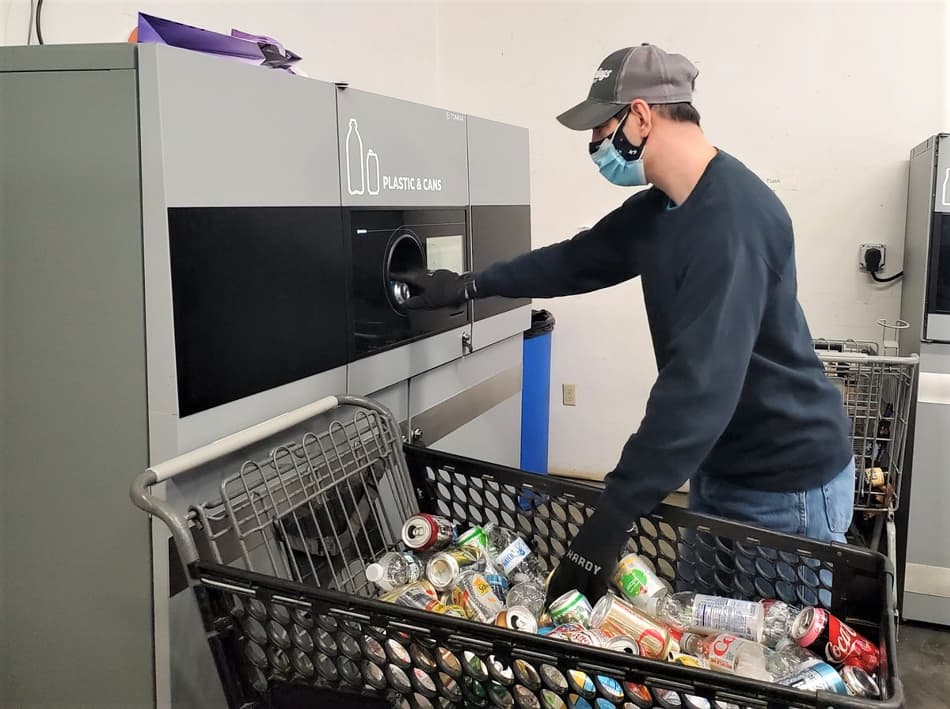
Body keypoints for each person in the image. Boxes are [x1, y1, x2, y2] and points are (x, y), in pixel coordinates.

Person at [400, 44, 854, 605]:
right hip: (716, 465)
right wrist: (466, 285)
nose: (593, 146)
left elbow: (699, 388)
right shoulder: (661, 209)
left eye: (600, 128)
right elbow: (575, 259)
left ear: (641, 116)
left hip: (787, 485)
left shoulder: (733, 220)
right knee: (696, 642)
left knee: (774, 662)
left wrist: (612, 514)